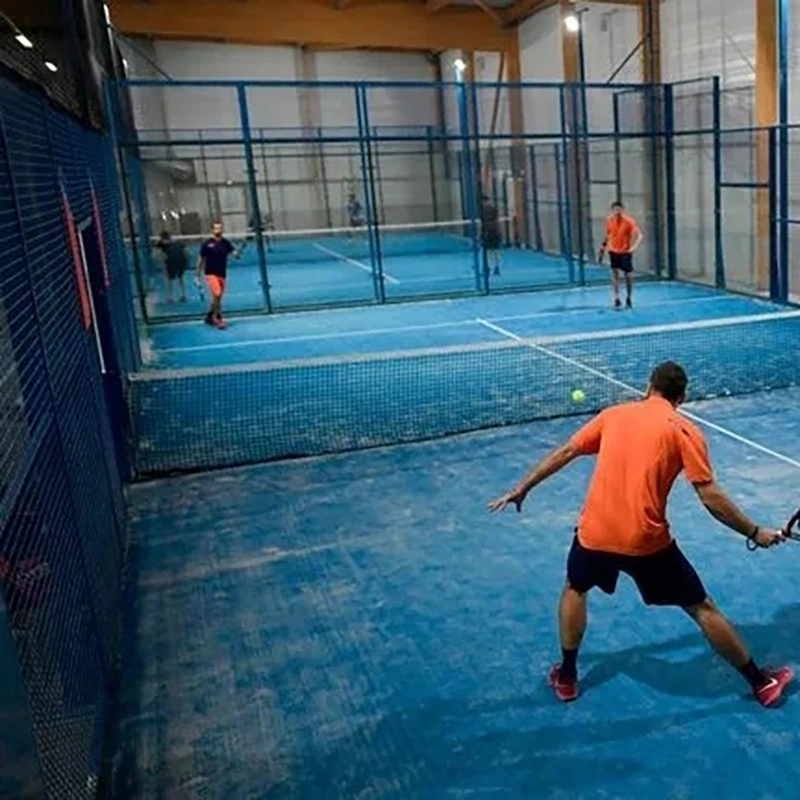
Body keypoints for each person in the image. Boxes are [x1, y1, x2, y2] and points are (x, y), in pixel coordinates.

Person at [488, 361, 793, 708]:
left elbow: (566, 451)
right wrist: (754, 531)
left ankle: (568, 675)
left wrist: (522, 487)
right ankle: (761, 682)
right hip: (646, 543)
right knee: (701, 608)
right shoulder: (684, 431)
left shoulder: (612, 415)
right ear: (682, 397)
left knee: (575, 587)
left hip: (595, 534)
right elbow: (710, 496)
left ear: (649, 386)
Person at [597, 201, 642, 310]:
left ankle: (629, 298)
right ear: (612, 210)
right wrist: (603, 246)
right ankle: (616, 298)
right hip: (613, 251)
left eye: (619, 209)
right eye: (615, 209)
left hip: (625, 252)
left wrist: (633, 248)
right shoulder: (609, 220)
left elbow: (639, 235)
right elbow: (609, 234)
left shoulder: (629, 221)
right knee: (615, 275)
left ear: (622, 210)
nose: (617, 211)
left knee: (628, 276)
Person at [196, 221, 238, 329]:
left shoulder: (226, 243)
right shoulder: (207, 244)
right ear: (212, 230)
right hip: (210, 273)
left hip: (222, 274)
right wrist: (197, 274)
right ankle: (218, 318)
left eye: (220, 228)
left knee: (217, 297)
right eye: (216, 228)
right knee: (217, 294)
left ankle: (209, 315)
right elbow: (201, 259)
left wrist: (236, 254)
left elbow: (233, 252)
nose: (218, 230)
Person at [156, 231, 188, 303]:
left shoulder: (161, 245)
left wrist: (163, 266)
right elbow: (186, 252)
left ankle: (170, 298)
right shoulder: (178, 243)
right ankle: (183, 295)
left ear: (161, 238)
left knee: (169, 279)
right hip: (182, 261)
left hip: (171, 261)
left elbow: (160, 255)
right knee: (180, 278)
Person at [481, 194, 502, 277]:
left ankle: (489, 267)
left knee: (489, 251)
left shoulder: (484, 211)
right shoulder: (493, 210)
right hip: (493, 232)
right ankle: (493, 267)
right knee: (493, 251)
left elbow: (483, 223)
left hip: (489, 233)